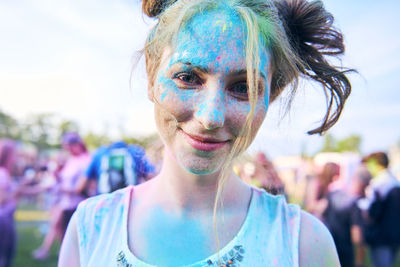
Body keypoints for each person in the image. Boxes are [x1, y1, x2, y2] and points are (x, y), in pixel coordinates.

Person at [59, 0, 353, 266]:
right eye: (188, 78)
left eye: (244, 87)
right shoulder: (90, 229)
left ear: (270, 96)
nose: (211, 117)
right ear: (151, 74)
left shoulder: (303, 245)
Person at [33, 132, 91, 260]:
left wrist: (62, 188)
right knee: (58, 226)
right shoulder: (71, 160)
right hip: (66, 202)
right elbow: (64, 180)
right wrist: (57, 176)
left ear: (77, 144)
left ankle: (70, 255)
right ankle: (65, 253)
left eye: (69, 146)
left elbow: (83, 186)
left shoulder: (86, 160)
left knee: (72, 232)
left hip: (77, 203)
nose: (67, 149)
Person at [322, 165, 372, 267]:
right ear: (363, 184)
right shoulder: (354, 204)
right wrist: (359, 262)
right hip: (345, 253)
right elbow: (357, 236)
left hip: (328, 248)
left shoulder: (333, 194)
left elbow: (324, 216)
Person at [360, 152, 400, 267]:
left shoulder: (377, 184)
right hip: (395, 234)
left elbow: (371, 212)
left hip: (380, 237)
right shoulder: (395, 181)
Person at [83, 140, 155, 194]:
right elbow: (151, 177)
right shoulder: (135, 151)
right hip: (133, 201)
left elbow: (81, 184)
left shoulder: (100, 153)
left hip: (105, 204)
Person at [0, 139, 17, 267]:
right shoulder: (3, 173)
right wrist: (18, 191)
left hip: (6, 219)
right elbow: (1, 199)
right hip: (3, 220)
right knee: (5, 256)